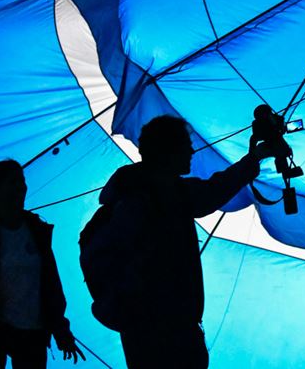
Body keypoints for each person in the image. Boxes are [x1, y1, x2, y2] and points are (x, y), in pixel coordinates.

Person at [99, 115, 273, 369]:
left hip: (139, 330)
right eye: (185, 144)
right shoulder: (164, 193)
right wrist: (256, 157)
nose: (192, 150)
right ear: (167, 150)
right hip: (169, 331)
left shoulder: (131, 190)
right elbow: (213, 192)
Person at [0, 159, 86, 368]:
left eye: (22, 181)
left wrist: (61, 329)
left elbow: (51, 285)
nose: (21, 188)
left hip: (31, 332)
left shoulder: (36, 231)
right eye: (12, 182)